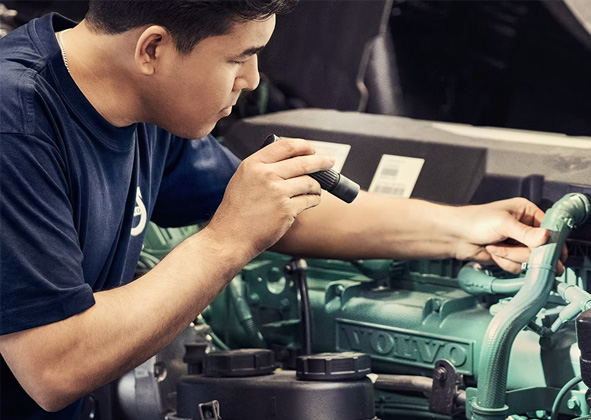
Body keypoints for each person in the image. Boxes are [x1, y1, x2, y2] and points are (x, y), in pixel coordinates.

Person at [0, 1, 561, 419]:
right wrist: (226, 241)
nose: (253, 81)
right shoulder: (17, 123)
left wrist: (461, 228)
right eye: (238, 57)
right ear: (152, 49)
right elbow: (52, 365)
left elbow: (290, 213)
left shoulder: (143, 110)